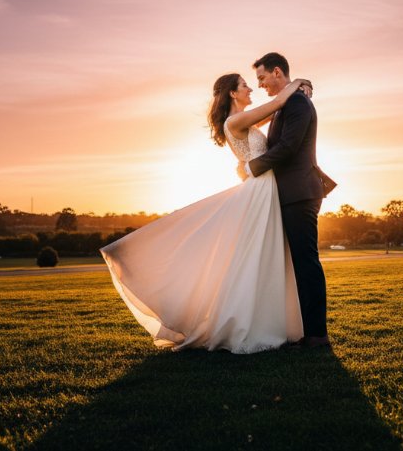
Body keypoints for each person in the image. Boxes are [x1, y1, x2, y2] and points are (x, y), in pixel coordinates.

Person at [100, 72, 313, 353]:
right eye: (245, 85)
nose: (251, 88)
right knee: (253, 255)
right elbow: (277, 104)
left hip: (264, 187)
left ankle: (268, 320)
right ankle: (248, 324)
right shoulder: (235, 121)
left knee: (261, 256)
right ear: (233, 93)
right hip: (259, 189)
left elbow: (275, 113)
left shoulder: (243, 120)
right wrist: (298, 82)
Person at [245, 52, 331, 348]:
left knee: (306, 263)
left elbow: (288, 147)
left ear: (277, 72)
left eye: (262, 78)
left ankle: (317, 335)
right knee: (298, 263)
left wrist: (251, 168)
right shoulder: (287, 102)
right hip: (289, 193)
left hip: (299, 193)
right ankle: (304, 330)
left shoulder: (297, 104)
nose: (260, 85)